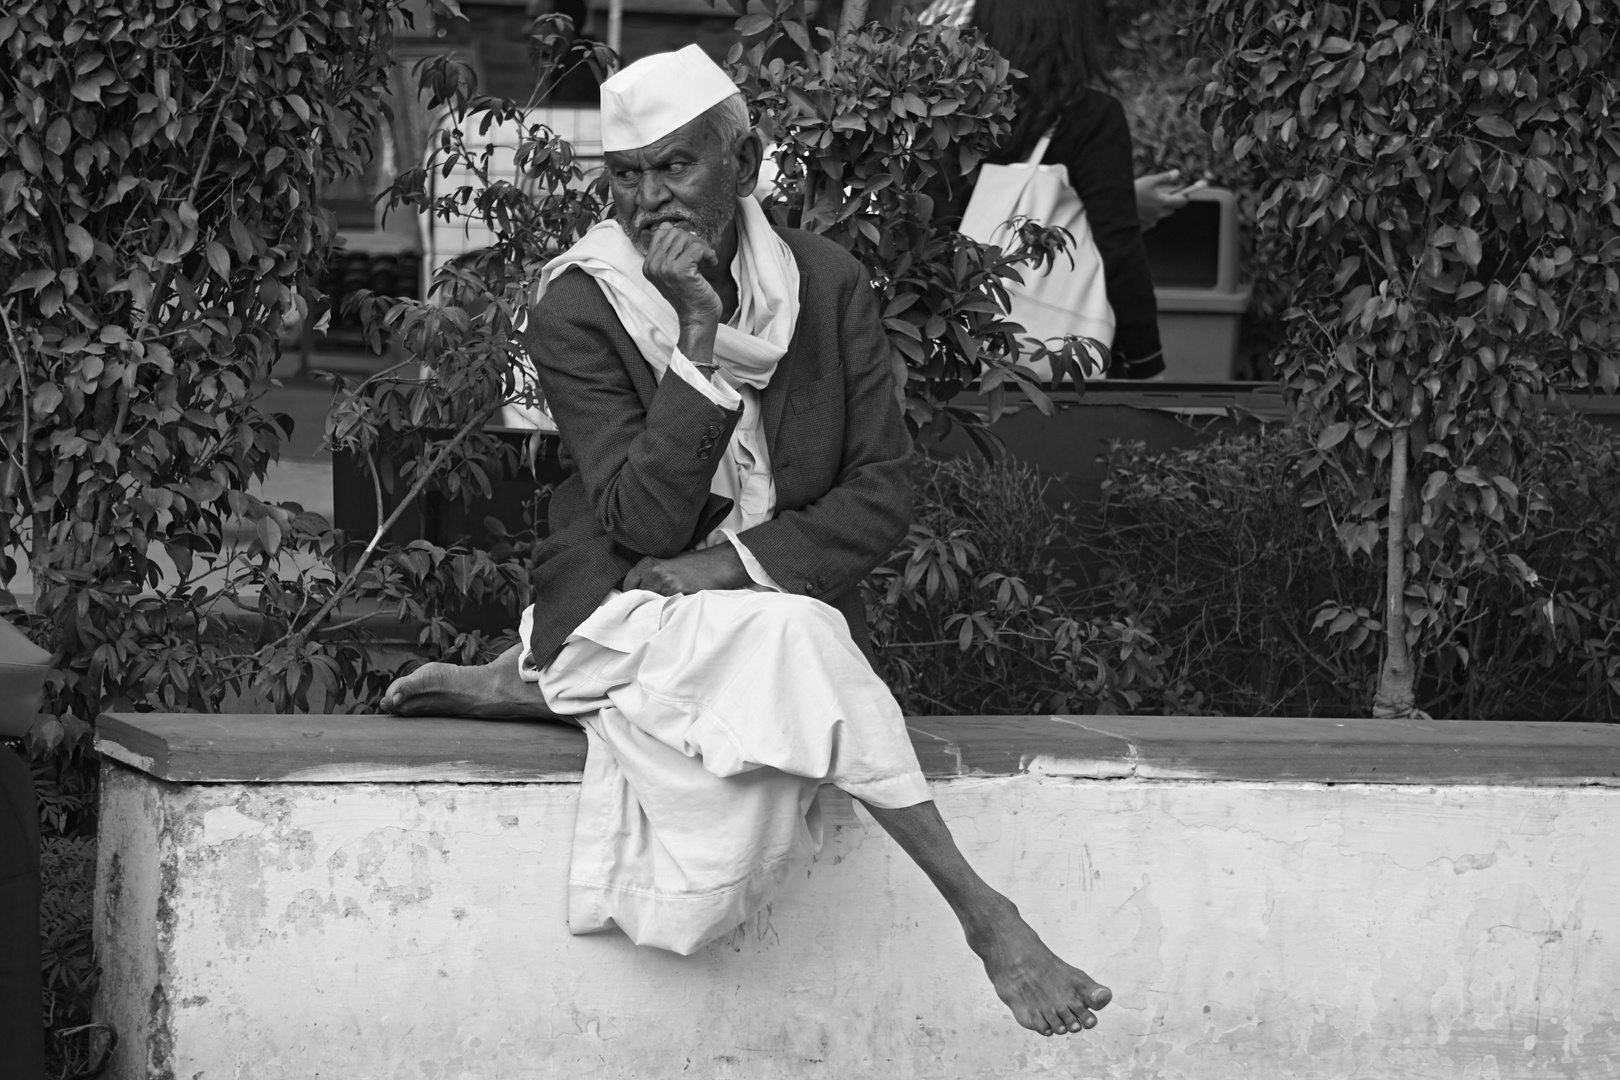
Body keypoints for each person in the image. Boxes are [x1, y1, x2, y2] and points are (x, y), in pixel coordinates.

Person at [383, 45, 1113, 1038]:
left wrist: (724, 568)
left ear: (746, 159)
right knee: (801, 643)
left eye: (674, 166)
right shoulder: (579, 301)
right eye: (626, 176)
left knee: (788, 641)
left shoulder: (827, 282)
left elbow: (884, 490)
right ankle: (988, 918)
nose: (646, 201)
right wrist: (695, 341)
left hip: (746, 606)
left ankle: (533, 683)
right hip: (627, 600)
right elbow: (639, 523)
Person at [928, 0, 1168, 378]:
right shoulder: (1089, 117)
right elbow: (1118, 246)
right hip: (1058, 362)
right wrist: (1146, 361)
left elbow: (942, 219)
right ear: (1072, 28)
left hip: (952, 352)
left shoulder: (951, 112)